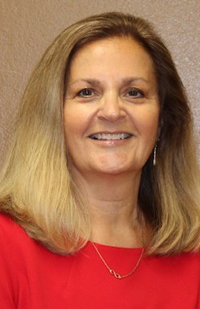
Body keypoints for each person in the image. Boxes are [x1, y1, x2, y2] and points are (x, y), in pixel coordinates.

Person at [0, 11, 200, 308]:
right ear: (54, 118)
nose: (112, 112)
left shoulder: (193, 257)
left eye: (134, 92)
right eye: (87, 92)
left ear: (162, 122)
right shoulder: (6, 245)